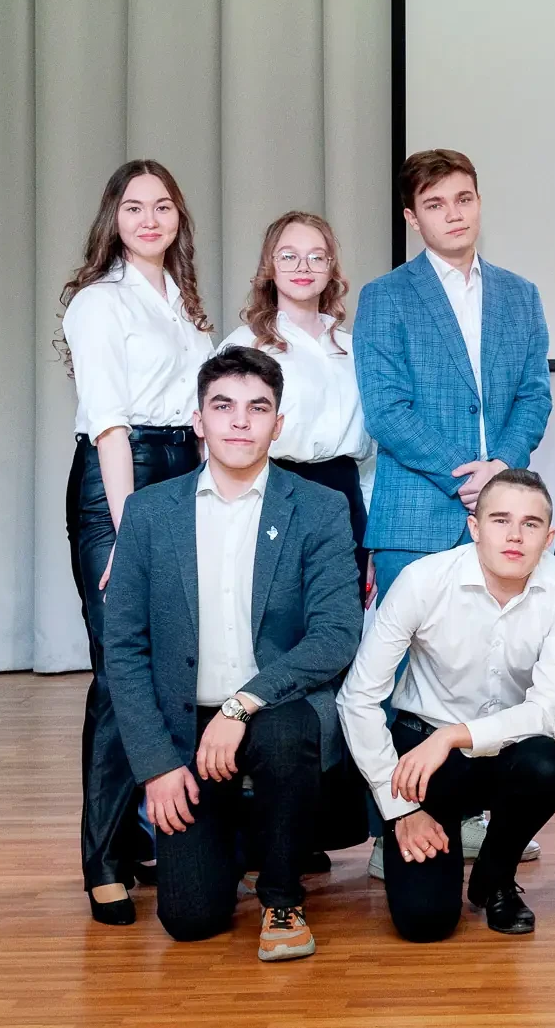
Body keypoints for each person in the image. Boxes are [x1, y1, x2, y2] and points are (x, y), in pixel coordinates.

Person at [100, 347, 363, 959]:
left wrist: (242, 705)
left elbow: (336, 635)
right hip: (185, 728)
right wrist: (157, 767)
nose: (240, 421)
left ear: (278, 422)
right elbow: (125, 649)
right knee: (189, 919)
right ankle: (242, 838)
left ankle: (282, 896)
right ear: (199, 421)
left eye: (258, 408)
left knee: (283, 733)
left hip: (274, 711)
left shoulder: (319, 508)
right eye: (223, 406)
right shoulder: (149, 513)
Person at [57, 159, 213, 925]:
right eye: (133, 207)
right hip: (120, 482)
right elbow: (112, 427)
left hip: (181, 473)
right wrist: (129, 532)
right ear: (112, 219)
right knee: (121, 672)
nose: (149, 219)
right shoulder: (99, 302)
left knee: (168, 667)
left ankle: (139, 835)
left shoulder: (183, 302)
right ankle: (103, 860)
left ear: (179, 216)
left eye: (163, 206)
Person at [337, 468, 555, 941]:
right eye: (500, 520)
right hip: (425, 760)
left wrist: (454, 736)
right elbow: (358, 697)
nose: (515, 536)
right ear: (474, 527)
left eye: (531, 524)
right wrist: (399, 809)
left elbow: (550, 708)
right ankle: (424, 840)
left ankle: (495, 878)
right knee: (425, 922)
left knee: (546, 763)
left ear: (549, 537)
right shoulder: (423, 580)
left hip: (505, 752)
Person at [356, 149, 553, 599]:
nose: (454, 214)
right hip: (415, 521)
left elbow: (534, 397)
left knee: (503, 645)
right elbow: (386, 411)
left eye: (464, 199)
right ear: (412, 218)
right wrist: (467, 477)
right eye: (435, 204)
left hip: (506, 520)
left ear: (479, 202)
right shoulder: (385, 296)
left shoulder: (521, 294)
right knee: (406, 648)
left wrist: (500, 469)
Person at [222, 210, 373, 560]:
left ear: (331, 268)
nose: (303, 267)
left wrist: (372, 532)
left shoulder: (354, 348)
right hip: (271, 492)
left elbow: (373, 455)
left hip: (345, 495)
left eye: (316, 257)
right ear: (270, 266)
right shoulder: (245, 345)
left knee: (342, 596)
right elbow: (215, 445)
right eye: (289, 256)